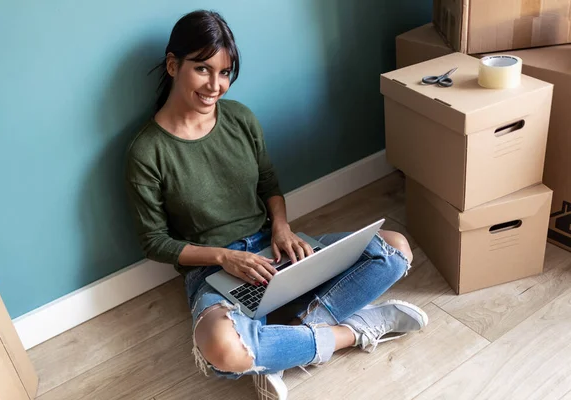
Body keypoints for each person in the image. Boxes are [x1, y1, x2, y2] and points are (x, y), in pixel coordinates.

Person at [125, 9, 428, 400]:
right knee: (222, 349)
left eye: (225, 73)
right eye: (202, 69)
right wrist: (223, 258)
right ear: (172, 65)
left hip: (274, 249)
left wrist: (282, 227)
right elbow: (154, 242)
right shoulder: (146, 151)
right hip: (213, 269)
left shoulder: (240, 119)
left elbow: (269, 182)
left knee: (394, 250)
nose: (215, 85)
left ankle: (285, 340)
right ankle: (353, 331)